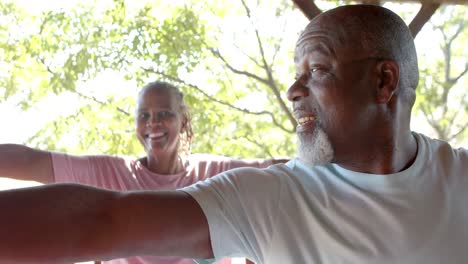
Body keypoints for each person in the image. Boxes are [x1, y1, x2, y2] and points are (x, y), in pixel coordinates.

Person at [0, 4, 467, 264]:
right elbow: (100, 220)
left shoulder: (461, 179)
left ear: (384, 82)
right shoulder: (273, 198)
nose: (292, 90)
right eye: (295, 73)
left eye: (317, 70)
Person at [0, 81, 285, 264]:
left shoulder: (214, 173)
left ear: (182, 120)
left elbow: (279, 171)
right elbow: (30, 160)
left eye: (164, 114)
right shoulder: (111, 173)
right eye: (144, 115)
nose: (153, 123)